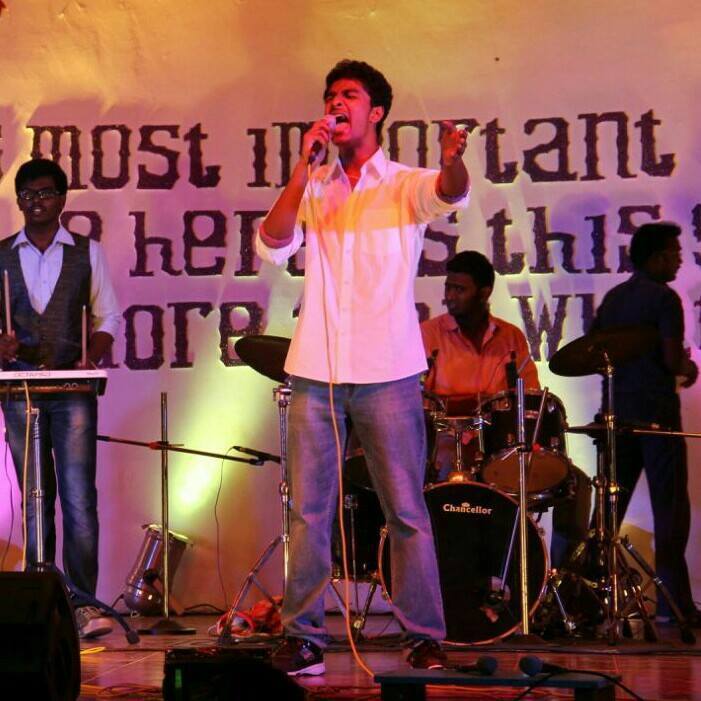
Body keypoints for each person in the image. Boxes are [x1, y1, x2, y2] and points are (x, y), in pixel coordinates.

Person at [255, 60, 469, 675]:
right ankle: (304, 638)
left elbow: (450, 191)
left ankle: (423, 635)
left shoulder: (402, 184)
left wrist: (452, 159)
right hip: (315, 371)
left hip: (388, 370)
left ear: (375, 112)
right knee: (309, 512)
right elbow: (272, 244)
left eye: (348, 94)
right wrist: (303, 167)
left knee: (405, 508)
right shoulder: (315, 185)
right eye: (330, 94)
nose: (335, 101)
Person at [0, 158, 120, 638]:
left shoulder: (87, 252)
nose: (36, 202)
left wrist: (93, 354)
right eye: (27, 195)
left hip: (73, 389)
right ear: (19, 201)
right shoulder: (2, 254)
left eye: (45, 193)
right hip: (19, 388)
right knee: (35, 498)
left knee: (78, 499)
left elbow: (108, 317)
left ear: (63, 199)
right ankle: (41, 601)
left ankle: (83, 604)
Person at [421, 250, 591, 569]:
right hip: (447, 451)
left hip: (500, 450)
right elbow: (419, 401)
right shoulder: (428, 335)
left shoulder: (511, 337)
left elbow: (528, 398)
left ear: (484, 292)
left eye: (460, 289)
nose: (450, 296)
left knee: (575, 484)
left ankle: (562, 580)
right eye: (448, 288)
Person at [591, 221, 699, 624]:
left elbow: (593, 352)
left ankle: (589, 600)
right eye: (674, 253)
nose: (679, 260)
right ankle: (674, 607)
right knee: (669, 512)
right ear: (655, 258)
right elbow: (672, 361)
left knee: (607, 515)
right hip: (657, 417)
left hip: (618, 417)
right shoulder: (664, 299)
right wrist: (688, 367)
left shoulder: (614, 298)